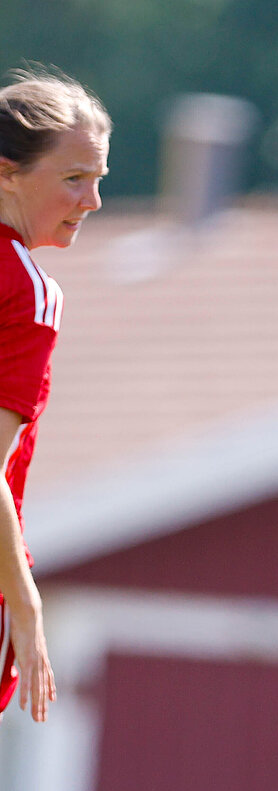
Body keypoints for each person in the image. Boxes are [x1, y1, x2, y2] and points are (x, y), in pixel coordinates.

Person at [0, 68, 108, 723]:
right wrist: (24, 599)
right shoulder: (27, 295)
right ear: (7, 171)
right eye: (74, 178)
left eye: (99, 178)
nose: (92, 200)